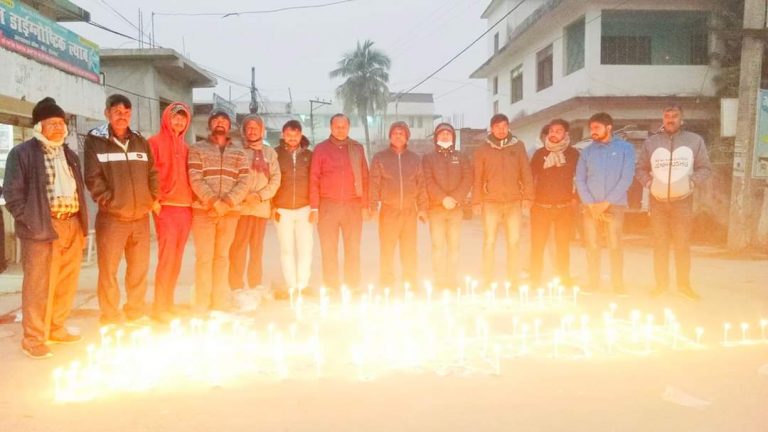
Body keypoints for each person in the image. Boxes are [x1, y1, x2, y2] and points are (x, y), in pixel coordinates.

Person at [3, 98, 89, 359]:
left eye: (61, 123)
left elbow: (79, 191)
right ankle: (33, 338)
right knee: (39, 286)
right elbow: (12, 194)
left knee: (66, 282)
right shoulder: (23, 153)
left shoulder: (69, 155)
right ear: (39, 126)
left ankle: (55, 328)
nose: (59, 128)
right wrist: (30, 221)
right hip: (41, 227)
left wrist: (82, 228)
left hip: (71, 224)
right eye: (52, 123)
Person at [84, 94, 159, 325]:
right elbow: (93, 178)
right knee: (109, 271)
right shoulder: (95, 141)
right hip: (112, 219)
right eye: (117, 112)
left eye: (126, 112)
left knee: (138, 270)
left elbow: (152, 173)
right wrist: (112, 203)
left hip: (140, 218)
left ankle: (135, 311)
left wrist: (151, 198)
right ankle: (110, 316)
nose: (122, 116)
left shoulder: (139, 141)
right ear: (107, 113)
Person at [636, 105, 711, 300]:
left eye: (674, 116)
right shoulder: (651, 142)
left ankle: (684, 286)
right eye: (667, 116)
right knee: (659, 245)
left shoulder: (694, 141)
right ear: (663, 119)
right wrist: (649, 183)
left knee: (682, 245)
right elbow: (640, 169)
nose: (670, 119)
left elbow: (704, 168)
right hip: (658, 203)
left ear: (681, 119)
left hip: (683, 202)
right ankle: (661, 285)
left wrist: (691, 182)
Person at [188, 110, 250, 314]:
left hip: (230, 213)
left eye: (224, 120)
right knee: (204, 258)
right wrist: (214, 202)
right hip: (203, 212)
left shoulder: (239, 153)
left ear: (229, 126)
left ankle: (219, 302)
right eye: (216, 120)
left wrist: (228, 202)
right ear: (210, 125)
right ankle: (202, 303)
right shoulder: (197, 149)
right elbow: (195, 178)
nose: (220, 123)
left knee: (222, 257)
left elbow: (244, 181)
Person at [575, 112, 635, 295]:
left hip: (615, 205)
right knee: (592, 245)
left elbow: (626, 178)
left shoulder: (625, 148)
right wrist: (590, 203)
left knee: (615, 245)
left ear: (609, 127)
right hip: (591, 207)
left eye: (597, 128)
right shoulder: (587, 151)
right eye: (591, 128)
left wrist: (607, 202)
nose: (592, 131)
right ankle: (593, 283)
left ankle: (618, 285)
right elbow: (580, 179)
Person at [472, 113, 534, 289]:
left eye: (504, 126)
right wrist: (476, 201)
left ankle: (513, 280)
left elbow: (526, 172)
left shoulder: (518, 146)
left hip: (514, 202)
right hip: (491, 202)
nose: (501, 130)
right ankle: (487, 280)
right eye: (497, 127)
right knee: (489, 241)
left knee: (514, 242)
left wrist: (528, 196)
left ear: (508, 127)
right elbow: (478, 176)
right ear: (491, 129)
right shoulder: (482, 149)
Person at [309, 114, 370, 292]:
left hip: (353, 206)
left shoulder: (357, 148)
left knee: (353, 247)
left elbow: (365, 177)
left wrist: (365, 205)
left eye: (344, 126)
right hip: (328, 206)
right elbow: (314, 178)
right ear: (331, 127)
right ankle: (331, 285)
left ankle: (352, 284)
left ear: (349, 128)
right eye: (337, 126)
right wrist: (314, 207)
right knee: (328, 248)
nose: (341, 130)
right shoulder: (321, 149)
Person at [148, 102, 193, 323]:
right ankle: (159, 307)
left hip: (186, 209)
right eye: (175, 117)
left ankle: (169, 303)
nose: (179, 121)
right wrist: (154, 201)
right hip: (166, 208)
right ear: (167, 118)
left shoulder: (186, 148)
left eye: (183, 118)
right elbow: (147, 173)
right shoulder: (154, 143)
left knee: (177, 259)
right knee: (166, 259)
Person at [369, 121, 428, 288]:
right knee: (387, 249)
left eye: (401, 133)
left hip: (409, 211)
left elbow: (421, 184)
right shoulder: (380, 158)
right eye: (395, 133)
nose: (398, 136)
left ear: (407, 137)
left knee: (409, 249)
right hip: (389, 211)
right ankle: (386, 281)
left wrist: (422, 208)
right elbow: (374, 184)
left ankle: (410, 282)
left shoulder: (415, 159)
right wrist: (373, 207)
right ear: (390, 136)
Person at [229, 115, 280, 296]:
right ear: (244, 130)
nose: (252, 131)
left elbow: (276, 179)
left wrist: (259, 195)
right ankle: (236, 284)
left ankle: (255, 282)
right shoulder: (236, 150)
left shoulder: (269, 153)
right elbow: (231, 177)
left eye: (256, 128)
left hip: (260, 207)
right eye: (249, 128)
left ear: (262, 130)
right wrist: (243, 196)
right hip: (241, 207)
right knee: (238, 247)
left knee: (257, 248)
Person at [529, 119, 580, 288]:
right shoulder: (539, 154)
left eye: (558, 131)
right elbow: (530, 177)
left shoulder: (573, 154)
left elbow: (581, 178)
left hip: (564, 208)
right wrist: (529, 198)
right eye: (551, 131)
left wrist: (575, 198)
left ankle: (564, 277)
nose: (554, 134)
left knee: (562, 245)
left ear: (566, 134)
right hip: (540, 207)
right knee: (537, 245)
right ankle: (535, 278)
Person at [422, 122, 472, 290]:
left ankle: (452, 280)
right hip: (436, 209)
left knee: (454, 247)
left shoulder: (461, 157)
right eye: (441, 134)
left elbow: (467, 178)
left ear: (453, 137)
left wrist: (455, 198)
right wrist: (442, 198)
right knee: (438, 247)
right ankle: (439, 281)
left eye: (448, 134)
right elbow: (427, 180)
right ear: (436, 138)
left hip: (455, 210)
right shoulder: (428, 158)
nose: (445, 136)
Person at [273, 120, 313, 296]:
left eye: (295, 135)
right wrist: (272, 205)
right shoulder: (275, 154)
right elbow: (271, 179)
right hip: (282, 209)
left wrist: (314, 207)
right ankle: (291, 285)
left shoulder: (309, 155)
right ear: (283, 135)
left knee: (305, 248)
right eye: (288, 135)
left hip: (305, 208)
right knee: (286, 249)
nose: (292, 138)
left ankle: (303, 285)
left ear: (301, 135)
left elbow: (315, 181)